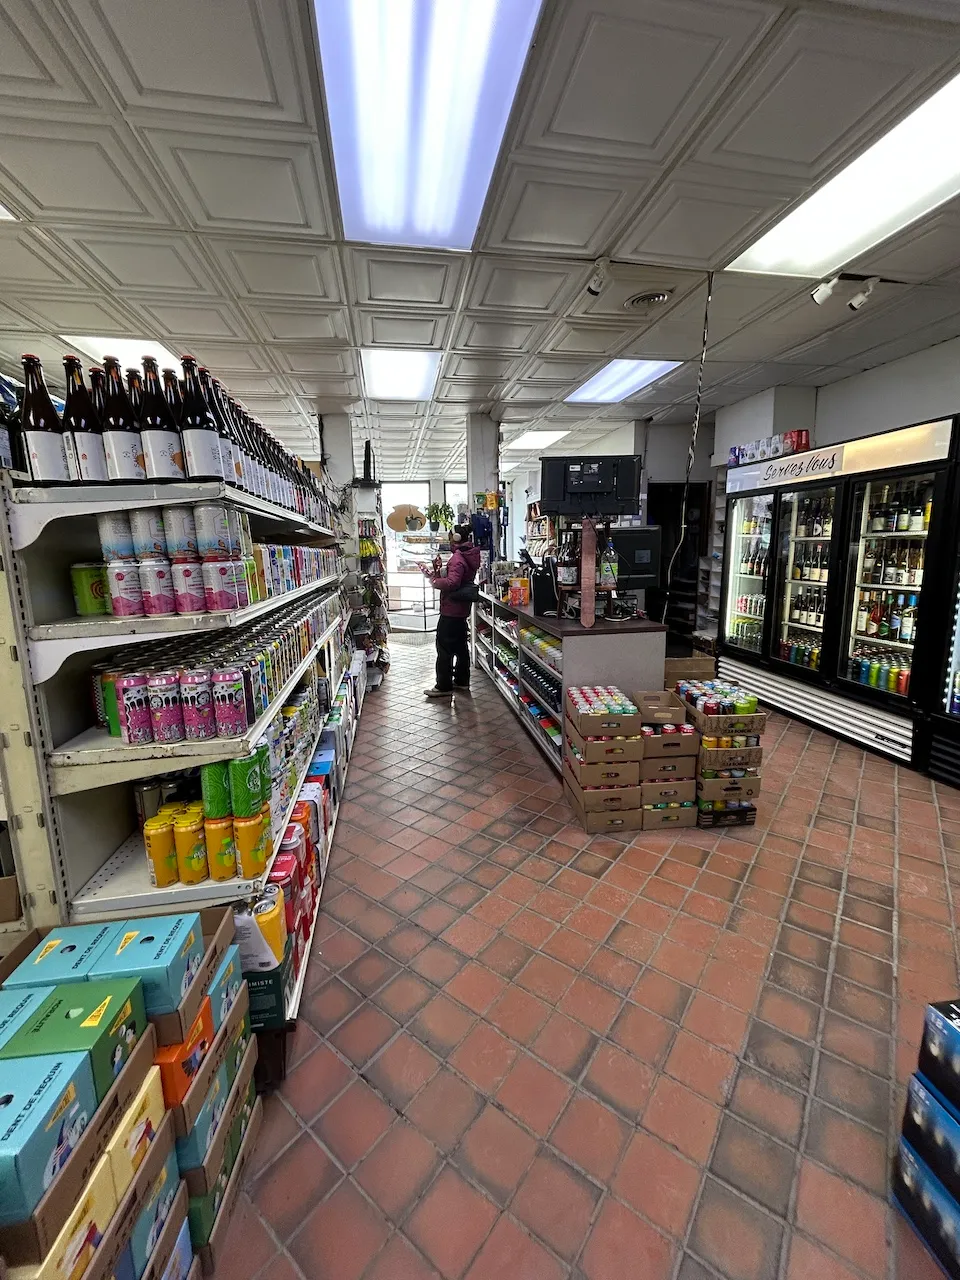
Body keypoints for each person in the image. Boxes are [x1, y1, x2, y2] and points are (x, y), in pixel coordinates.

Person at [420, 522, 481, 698]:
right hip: (461, 610)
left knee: (444, 648)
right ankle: (462, 681)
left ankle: (443, 685)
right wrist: (438, 573)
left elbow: (453, 583)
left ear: (455, 539)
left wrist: (435, 582)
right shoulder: (468, 556)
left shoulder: (458, 559)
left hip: (451, 610)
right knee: (461, 646)